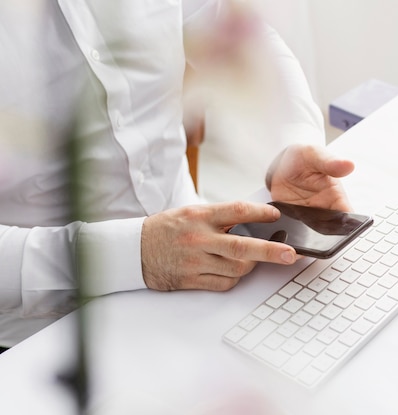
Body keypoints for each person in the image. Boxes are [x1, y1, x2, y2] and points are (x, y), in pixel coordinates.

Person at [0, 0, 354, 349]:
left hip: (202, 266)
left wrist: (291, 141)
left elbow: (241, 39)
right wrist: (139, 254)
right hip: (42, 331)